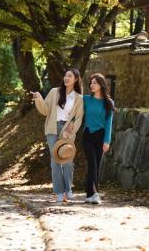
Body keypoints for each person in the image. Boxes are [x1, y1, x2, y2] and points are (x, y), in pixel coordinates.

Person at [31, 68, 84, 203]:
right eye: (65, 75)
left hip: (67, 130)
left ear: (76, 79)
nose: (66, 78)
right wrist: (38, 98)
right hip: (52, 128)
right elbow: (45, 110)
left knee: (67, 159)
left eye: (70, 76)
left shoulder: (79, 98)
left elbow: (78, 118)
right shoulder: (55, 92)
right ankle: (59, 192)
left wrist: (70, 131)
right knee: (55, 161)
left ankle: (68, 189)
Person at [83, 73, 114, 204]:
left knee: (97, 166)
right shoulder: (85, 99)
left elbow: (109, 123)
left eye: (95, 82)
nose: (92, 85)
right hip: (88, 134)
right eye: (91, 82)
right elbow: (75, 113)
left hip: (100, 135)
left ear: (101, 84)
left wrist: (107, 141)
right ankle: (94, 194)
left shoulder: (108, 102)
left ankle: (89, 195)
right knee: (92, 164)